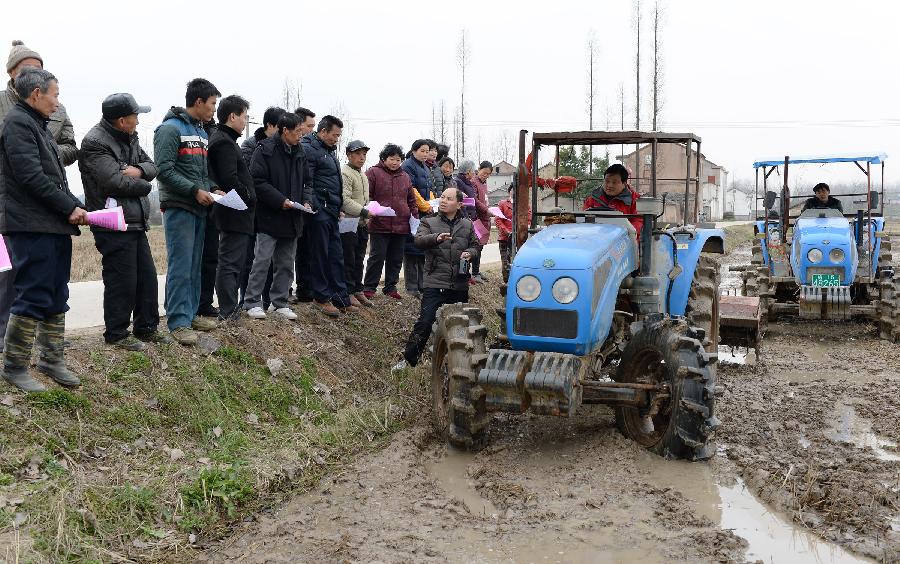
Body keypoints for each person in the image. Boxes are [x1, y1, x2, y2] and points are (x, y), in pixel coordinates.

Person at [0, 68, 87, 391]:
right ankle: (15, 365)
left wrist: (75, 208)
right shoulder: (18, 124)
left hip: (52, 225)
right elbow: (31, 178)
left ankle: (51, 359)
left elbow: (55, 180)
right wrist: (69, 207)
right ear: (36, 93)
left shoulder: (38, 125)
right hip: (29, 224)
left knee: (55, 292)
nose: (57, 101)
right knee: (32, 292)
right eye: (55, 94)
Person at [79, 93, 170, 350]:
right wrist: (143, 185)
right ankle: (117, 333)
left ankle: (146, 327)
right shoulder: (95, 142)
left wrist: (138, 171)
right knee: (122, 279)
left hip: (135, 220)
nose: (138, 121)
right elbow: (113, 182)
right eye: (135, 116)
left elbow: (152, 166)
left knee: (146, 278)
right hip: (112, 221)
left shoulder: (130, 137)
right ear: (121, 120)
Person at [154, 78, 222, 346]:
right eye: (213, 104)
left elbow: (201, 173)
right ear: (198, 102)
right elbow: (164, 170)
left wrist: (212, 189)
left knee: (194, 265)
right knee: (181, 265)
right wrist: (195, 190)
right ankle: (178, 321)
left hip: (199, 207)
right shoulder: (170, 129)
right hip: (179, 206)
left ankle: (191, 313)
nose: (214, 110)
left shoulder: (202, 133)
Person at [393, 187, 479, 371]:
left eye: (448, 198)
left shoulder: (467, 224)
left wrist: (470, 253)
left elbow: (476, 246)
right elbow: (419, 241)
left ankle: (457, 365)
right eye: (442, 197)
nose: (443, 201)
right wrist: (436, 238)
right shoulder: (428, 221)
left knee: (460, 325)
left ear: (459, 204)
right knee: (424, 323)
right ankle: (408, 361)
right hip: (434, 282)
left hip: (459, 284)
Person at [244, 112, 313, 320]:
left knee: (286, 262)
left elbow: (308, 182)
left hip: (293, 217)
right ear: (285, 130)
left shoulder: (300, 151)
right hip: (270, 215)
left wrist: (308, 201)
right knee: (262, 260)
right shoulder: (265, 150)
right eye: (298, 132)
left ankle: (279, 302)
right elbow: (257, 181)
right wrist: (280, 200)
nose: (301, 136)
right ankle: (252, 302)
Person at [208, 95, 257, 320]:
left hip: (240, 213)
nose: (246, 121)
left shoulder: (227, 141)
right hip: (233, 212)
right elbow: (230, 179)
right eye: (244, 116)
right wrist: (248, 196)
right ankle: (227, 311)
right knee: (229, 263)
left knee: (235, 263)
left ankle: (231, 308)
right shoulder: (223, 142)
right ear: (232, 116)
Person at [302, 115, 354, 317]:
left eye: (339, 135)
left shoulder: (329, 152)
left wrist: (338, 205)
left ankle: (340, 297)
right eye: (334, 135)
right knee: (321, 255)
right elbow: (309, 181)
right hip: (319, 211)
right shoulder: (310, 149)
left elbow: (334, 183)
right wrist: (316, 205)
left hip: (332, 210)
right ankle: (321, 297)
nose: (337, 139)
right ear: (323, 132)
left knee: (335, 255)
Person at [238, 106, 285, 309]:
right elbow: (250, 178)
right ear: (270, 125)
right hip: (253, 210)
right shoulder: (250, 146)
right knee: (251, 259)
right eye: (281, 126)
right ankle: (247, 300)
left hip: (273, 210)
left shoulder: (282, 148)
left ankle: (267, 301)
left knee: (273, 260)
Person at [363, 144, 417, 301]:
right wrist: (375, 210)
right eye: (392, 159)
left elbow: (411, 200)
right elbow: (368, 197)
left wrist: (413, 216)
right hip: (380, 223)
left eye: (398, 159)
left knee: (395, 258)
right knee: (377, 256)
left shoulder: (405, 176)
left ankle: (390, 287)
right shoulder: (373, 173)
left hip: (401, 224)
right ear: (383, 159)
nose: (395, 162)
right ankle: (369, 287)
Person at [340, 140, 373, 307]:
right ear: (349, 155)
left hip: (361, 223)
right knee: (349, 258)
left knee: (360, 258)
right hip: (348, 222)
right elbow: (344, 200)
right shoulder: (345, 173)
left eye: (364, 154)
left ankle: (358, 289)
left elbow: (364, 198)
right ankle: (348, 291)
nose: (362, 158)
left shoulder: (362, 174)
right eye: (358, 154)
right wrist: (364, 211)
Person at [402, 139, 436, 298]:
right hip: (413, 213)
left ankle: (423, 285)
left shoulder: (425, 167)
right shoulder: (408, 165)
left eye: (427, 150)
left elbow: (428, 189)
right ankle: (411, 287)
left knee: (423, 250)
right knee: (411, 251)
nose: (425, 153)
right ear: (414, 150)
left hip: (425, 214)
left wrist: (433, 204)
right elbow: (412, 190)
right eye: (422, 150)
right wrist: (424, 206)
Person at [292, 106, 318, 303]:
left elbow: (308, 181)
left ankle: (304, 288)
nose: (312, 130)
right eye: (309, 126)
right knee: (295, 252)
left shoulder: (307, 147)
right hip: (289, 206)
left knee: (307, 250)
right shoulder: (304, 149)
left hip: (306, 205)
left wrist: (308, 201)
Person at [582, 163, 643, 233]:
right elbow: (584, 219)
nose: (610, 185)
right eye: (607, 181)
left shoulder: (635, 200)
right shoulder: (593, 198)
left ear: (624, 184)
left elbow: (639, 222)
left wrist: (625, 233)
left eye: (614, 182)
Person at [470, 160, 493, 283]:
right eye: (484, 173)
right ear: (479, 170)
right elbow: (475, 200)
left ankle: (477, 270)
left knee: (481, 246)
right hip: (477, 218)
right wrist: (486, 210)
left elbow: (484, 199)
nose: (486, 176)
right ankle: (473, 273)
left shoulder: (484, 183)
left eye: (488, 174)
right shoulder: (474, 182)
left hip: (485, 218)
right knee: (476, 246)